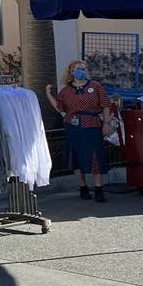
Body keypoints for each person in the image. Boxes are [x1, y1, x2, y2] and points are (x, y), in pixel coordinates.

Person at [45, 60, 112, 202]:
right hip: (73, 126)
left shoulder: (95, 86)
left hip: (92, 124)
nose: (81, 71)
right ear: (71, 72)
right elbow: (59, 107)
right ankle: (83, 187)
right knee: (76, 156)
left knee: (95, 155)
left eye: (83, 68)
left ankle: (98, 188)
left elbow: (106, 105)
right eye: (78, 69)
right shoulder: (66, 91)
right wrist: (48, 94)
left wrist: (106, 123)